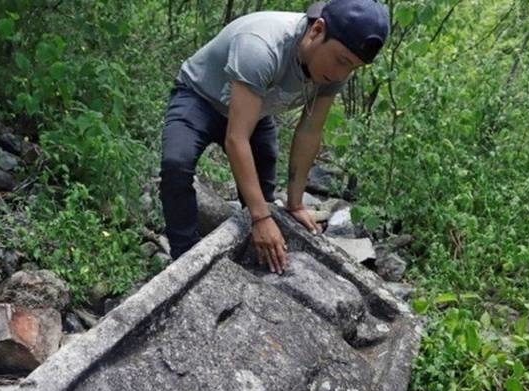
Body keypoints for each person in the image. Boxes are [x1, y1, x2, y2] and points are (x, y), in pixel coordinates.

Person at [158, 0, 389, 274]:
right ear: (317, 30)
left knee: (262, 185)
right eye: (340, 61)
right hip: (200, 97)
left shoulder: (337, 67)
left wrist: (295, 204)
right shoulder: (261, 46)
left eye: (352, 67)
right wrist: (261, 217)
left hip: (255, 109)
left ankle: (255, 247)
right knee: (176, 165)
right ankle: (184, 260)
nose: (341, 74)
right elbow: (236, 139)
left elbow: (309, 131)